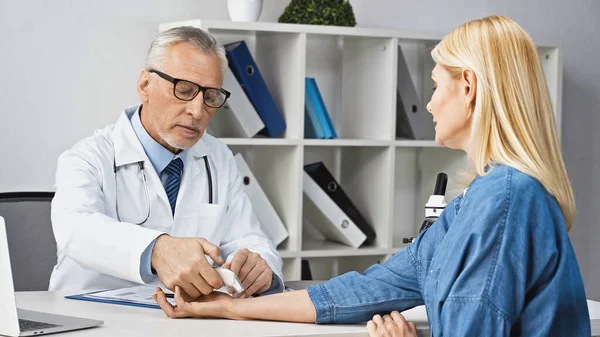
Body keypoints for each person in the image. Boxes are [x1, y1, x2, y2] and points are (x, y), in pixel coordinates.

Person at [152, 15, 591, 337]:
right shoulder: (478, 202)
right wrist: (231, 310)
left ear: (470, 87)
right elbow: (367, 290)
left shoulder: (506, 201)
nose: (431, 105)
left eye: (436, 86)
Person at [50, 26, 284, 299]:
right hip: (95, 312)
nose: (197, 111)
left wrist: (261, 267)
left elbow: (249, 237)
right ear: (145, 85)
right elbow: (76, 229)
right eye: (184, 90)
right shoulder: (87, 157)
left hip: (184, 318)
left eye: (210, 97)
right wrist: (157, 250)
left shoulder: (218, 158)